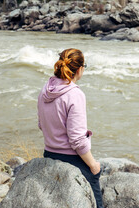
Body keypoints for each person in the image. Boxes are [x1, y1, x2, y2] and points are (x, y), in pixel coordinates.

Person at [37, 48, 103, 208]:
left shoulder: (46, 90)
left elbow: (41, 124)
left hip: (49, 153)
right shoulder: (74, 94)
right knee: (96, 191)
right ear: (79, 69)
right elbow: (77, 140)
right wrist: (93, 165)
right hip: (71, 159)